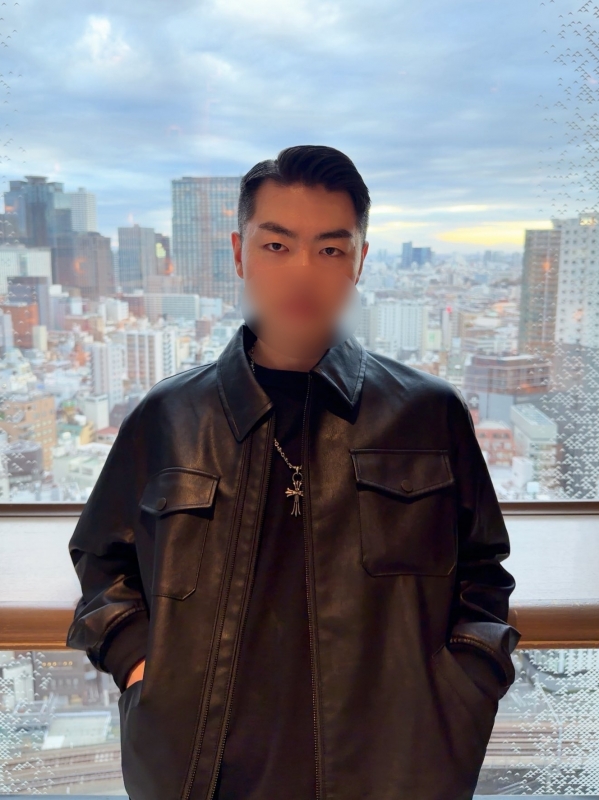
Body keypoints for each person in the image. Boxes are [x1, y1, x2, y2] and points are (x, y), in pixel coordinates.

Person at [66, 144, 521, 800]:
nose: (303, 271)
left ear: (360, 260)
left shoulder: (426, 414)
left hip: (394, 769)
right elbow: (101, 560)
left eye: (330, 249)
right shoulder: (170, 416)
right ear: (239, 253)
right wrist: (141, 666)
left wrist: (464, 686)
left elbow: (482, 573)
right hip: (197, 770)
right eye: (277, 245)